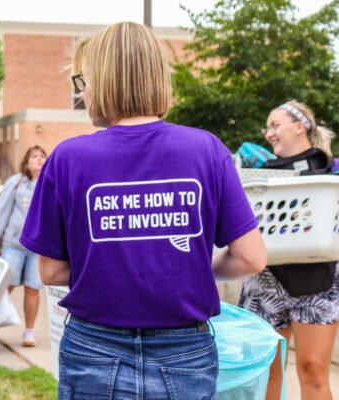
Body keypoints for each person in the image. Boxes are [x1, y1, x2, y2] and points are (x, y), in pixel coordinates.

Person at [19, 22, 267, 399]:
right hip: (185, 350)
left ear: (103, 80)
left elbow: (50, 271)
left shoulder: (68, 158)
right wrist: (193, 270)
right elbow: (251, 258)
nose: (81, 92)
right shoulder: (206, 150)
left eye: (82, 80)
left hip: (94, 348)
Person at [239, 100, 339, 400]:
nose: (269, 133)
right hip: (266, 279)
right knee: (266, 370)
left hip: (318, 280)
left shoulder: (330, 170)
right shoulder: (260, 175)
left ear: (300, 127)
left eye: (275, 125)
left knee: (312, 370)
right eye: (267, 127)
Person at [0, 145, 47, 349]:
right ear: (26, 162)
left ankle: (29, 331)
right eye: (35, 156)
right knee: (4, 287)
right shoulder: (15, 183)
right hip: (12, 245)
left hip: (38, 248)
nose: (39, 160)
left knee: (33, 289)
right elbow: (3, 211)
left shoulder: (50, 184)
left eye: (43, 156)